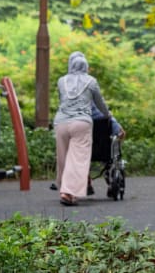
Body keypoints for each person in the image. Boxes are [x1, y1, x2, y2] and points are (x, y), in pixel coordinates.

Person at [54, 51, 111, 206]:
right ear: (86, 66)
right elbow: (100, 104)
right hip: (81, 123)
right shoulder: (91, 82)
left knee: (63, 158)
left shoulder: (61, 81)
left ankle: (63, 189)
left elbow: (62, 100)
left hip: (61, 122)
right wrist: (108, 115)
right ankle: (68, 192)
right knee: (78, 159)